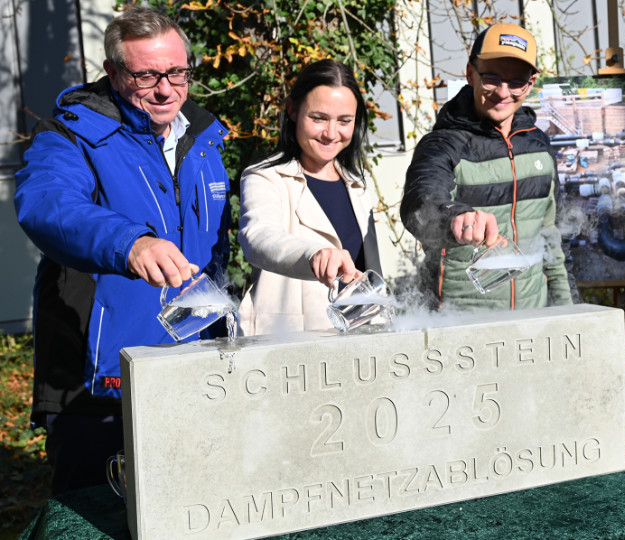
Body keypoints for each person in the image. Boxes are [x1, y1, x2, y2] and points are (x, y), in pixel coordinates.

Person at [14, 7, 232, 495]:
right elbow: (46, 204)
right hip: (102, 383)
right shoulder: (71, 134)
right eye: (146, 74)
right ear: (113, 72)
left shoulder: (205, 139)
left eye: (177, 72)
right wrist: (128, 242)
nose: (165, 88)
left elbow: (217, 250)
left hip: (198, 371)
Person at [401, 23, 575, 311]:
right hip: (456, 322)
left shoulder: (540, 146)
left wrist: (569, 310)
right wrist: (457, 217)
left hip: (533, 321)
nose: (503, 92)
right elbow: (418, 207)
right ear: (470, 73)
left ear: (530, 84)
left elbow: (551, 239)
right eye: (491, 78)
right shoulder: (442, 144)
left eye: (516, 82)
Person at [237, 59, 381, 335]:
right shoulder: (265, 177)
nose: (331, 133)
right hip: (289, 344)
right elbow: (258, 237)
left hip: (360, 343)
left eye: (344, 121)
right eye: (319, 118)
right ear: (293, 110)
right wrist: (313, 254)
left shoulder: (357, 185)